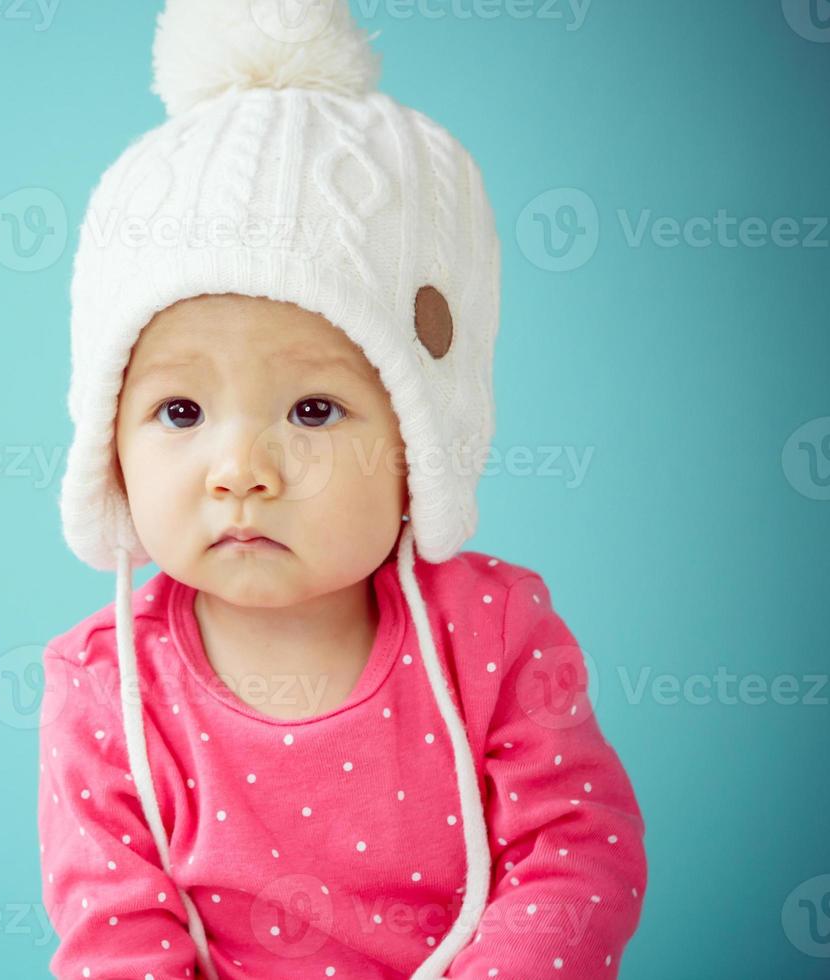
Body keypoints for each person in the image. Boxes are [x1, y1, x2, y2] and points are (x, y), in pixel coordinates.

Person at [36, 2, 647, 977]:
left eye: (314, 410)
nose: (243, 470)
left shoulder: (492, 631)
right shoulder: (107, 687)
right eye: (182, 412)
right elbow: (118, 939)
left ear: (419, 438)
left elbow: (577, 853)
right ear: (110, 442)